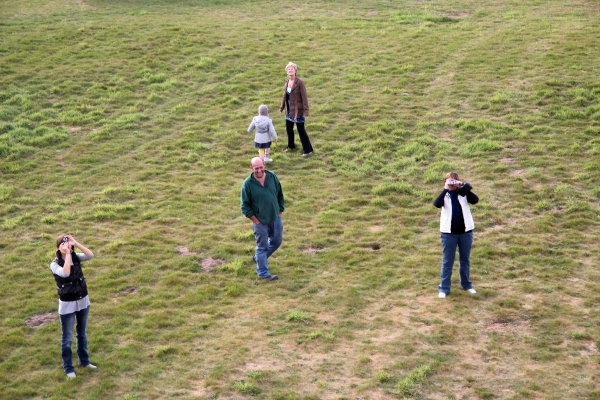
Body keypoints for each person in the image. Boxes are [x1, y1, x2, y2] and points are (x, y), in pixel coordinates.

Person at [50, 234, 96, 378]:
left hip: (83, 300)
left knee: (82, 333)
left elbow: (90, 255)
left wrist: (76, 242)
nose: (68, 246)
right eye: (64, 244)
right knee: (67, 338)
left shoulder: (75, 256)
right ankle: (68, 367)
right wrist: (68, 254)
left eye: (68, 244)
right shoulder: (54, 264)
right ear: (58, 248)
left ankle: (84, 361)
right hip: (67, 304)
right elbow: (65, 272)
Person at [433, 172, 479, 298]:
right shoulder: (445, 195)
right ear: (445, 182)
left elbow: (475, 200)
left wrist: (463, 186)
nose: (452, 184)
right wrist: (446, 189)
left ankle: (466, 285)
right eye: (449, 181)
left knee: (465, 259)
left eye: (454, 181)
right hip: (448, 234)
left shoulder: (463, 194)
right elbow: (436, 204)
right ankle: (444, 288)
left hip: (466, 232)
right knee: (448, 261)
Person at [240, 157, 285, 280]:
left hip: (275, 217)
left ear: (264, 165)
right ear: (251, 168)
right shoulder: (247, 184)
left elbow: (280, 194)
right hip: (260, 222)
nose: (259, 170)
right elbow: (244, 206)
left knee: (277, 241)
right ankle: (263, 273)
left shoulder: (272, 177)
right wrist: (256, 221)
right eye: (256, 168)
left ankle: (259, 258)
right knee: (262, 247)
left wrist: (280, 211)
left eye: (261, 167)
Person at [279, 62, 314, 158]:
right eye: (288, 69)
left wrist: (305, 111)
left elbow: (304, 97)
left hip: (298, 111)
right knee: (289, 129)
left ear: (295, 70)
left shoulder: (300, 82)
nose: (290, 70)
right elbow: (284, 96)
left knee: (301, 130)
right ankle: (291, 146)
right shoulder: (287, 82)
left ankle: (308, 150)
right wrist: (282, 107)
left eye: (292, 69)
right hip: (289, 110)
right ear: (286, 71)